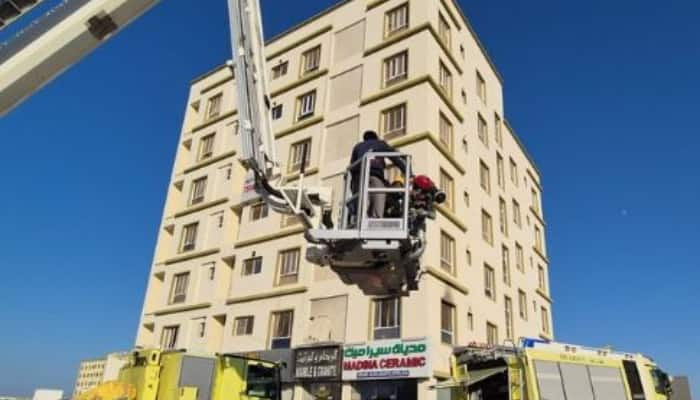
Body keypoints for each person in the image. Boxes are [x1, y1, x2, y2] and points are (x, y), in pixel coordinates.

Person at [349, 130, 407, 219]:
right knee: (379, 198)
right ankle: (375, 220)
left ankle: (360, 218)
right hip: (374, 176)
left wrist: (352, 186)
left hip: (358, 178)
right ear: (376, 137)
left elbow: (351, 167)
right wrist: (407, 171)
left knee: (361, 203)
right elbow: (395, 158)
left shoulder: (357, 147)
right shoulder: (380, 144)